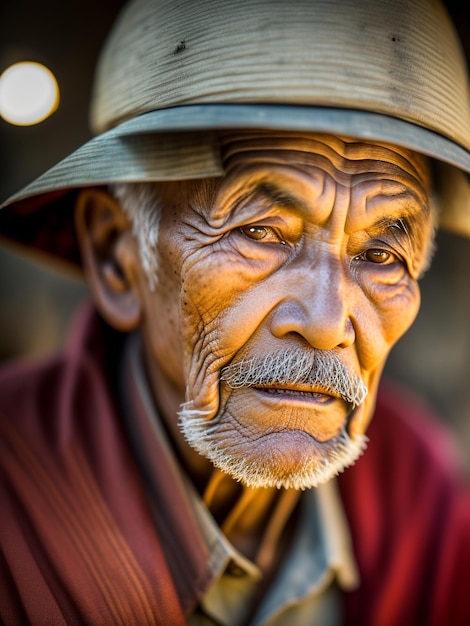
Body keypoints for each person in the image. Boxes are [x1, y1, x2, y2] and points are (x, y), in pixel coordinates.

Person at [1, 0, 470, 624]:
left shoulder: (420, 497)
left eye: (382, 253)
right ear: (119, 257)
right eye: (261, 232)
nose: (327, 323)